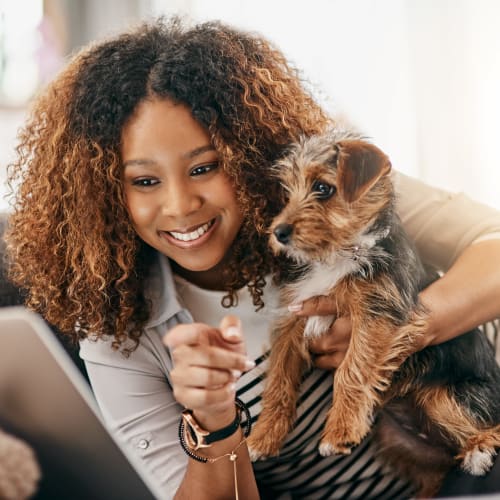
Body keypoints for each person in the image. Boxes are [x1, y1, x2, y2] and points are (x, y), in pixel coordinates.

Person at [5, 17, 500, 500]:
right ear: (106, 193)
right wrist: (215, 422)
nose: (180, 206)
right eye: (145, 181)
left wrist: (407, 325)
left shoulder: (327, 192)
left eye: (204, 167)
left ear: (247, 152)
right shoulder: (120, 332)